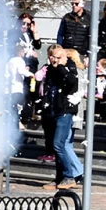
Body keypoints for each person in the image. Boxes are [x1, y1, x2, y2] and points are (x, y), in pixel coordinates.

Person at [38, 45, 81, 191]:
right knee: (54, 147)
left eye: (57, 56)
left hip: (65, 110)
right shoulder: (49, 69)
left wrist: (61, 66)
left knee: (59, 144)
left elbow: (71, 83)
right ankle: (59, 178)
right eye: (51, 56)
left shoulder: (69, 66)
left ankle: (69, 176)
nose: (54, 59)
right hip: (52, 110)